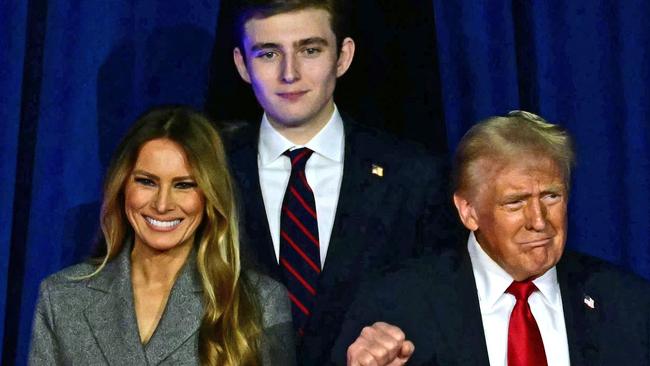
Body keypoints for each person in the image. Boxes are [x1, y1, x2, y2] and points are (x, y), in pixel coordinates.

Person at [226, 0, 459, 363]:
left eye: (310, 50)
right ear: (242, 64)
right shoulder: (208, 171)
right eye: (269, 54)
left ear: (343, 56)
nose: (290, 73)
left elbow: (444, 317)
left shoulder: (413, 177)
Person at [336, 111, 650, 365]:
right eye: (515, 202)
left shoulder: (626, 304)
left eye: (551, 196)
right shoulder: (398, 306)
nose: (539, 221)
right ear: (468, 211)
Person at [28, 106, 296, 365]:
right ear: (122, 186)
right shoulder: (62, 297)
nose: (162, 204)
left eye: (184, 185)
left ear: (209, 196)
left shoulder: (261, 303)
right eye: (147, 181)